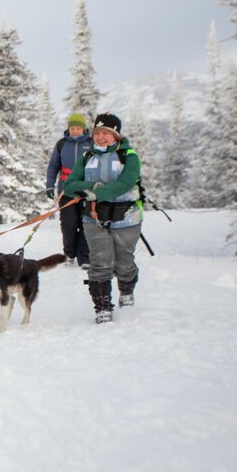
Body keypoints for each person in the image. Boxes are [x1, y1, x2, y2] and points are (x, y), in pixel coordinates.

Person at [63, 113, 142, 324]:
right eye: (97, 133)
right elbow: (70, 185)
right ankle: (102, 307)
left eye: (106, 133)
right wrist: (90, 187)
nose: (100, 137)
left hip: (126, 218)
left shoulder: (129, 156)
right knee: (100, 262)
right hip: (94, 217)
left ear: (116, 135)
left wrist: (99, 194)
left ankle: (126, 290)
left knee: (124, 262)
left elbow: (126, 183)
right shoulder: (87, 157)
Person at [45, 113, 93, 268]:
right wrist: (50, 185)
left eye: (78, 128)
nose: (75, 131)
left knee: (86, 222)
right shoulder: (61, 144)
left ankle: (84, 257)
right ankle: (69, 254)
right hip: (66, 190)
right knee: (68, 224)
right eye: (72, 128)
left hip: (87, 190)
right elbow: (53, 166)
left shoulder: (92, 143)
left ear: (83, 129)